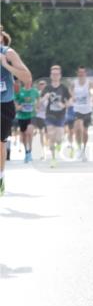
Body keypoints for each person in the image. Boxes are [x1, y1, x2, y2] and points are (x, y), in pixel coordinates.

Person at [0, 27, 33, 194]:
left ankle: (0, 177)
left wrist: (6, 65)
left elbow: (27, 77)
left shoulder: (8, 53)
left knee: (0, 143)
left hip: (3, 104)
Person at [41, 65, 71, 167]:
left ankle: (59, 144)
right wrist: (45, 97)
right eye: (53, 74)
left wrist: (64, 105)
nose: (55, 76)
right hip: (49, 115)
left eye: (57, 74)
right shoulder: (47, 88)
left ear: (60, 75)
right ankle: (53, 158)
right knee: (51, 135)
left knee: (59, 138)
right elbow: (40, 101)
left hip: (60, 116)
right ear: (50, 75)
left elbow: (70, 100)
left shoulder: (63, 88)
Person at [71, 66, 93, 161]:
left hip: (87, 110)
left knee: (85, 132)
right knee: (78, 128)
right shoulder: (74, 83)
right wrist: (73, 96)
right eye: (79, 72)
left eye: (83, 72)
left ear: (85, 73)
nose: (81, 74)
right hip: (77, 109)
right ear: (77, 73)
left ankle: (83, 150)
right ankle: (79, 148)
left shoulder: (89, 83)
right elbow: (70, 90)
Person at [15, 78, 41, 163]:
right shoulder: (20, 91)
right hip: (21, 116)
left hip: (31, 115)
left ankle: (30, 151)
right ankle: (26, 151)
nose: (28, 82)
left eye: (29, 80)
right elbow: (15, 101)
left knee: (29, 133)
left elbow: (38, 99)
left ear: (31, 81)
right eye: (26, 80)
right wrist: (18, 107)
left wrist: (37, 107)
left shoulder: (35, 91)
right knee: (23, 136)